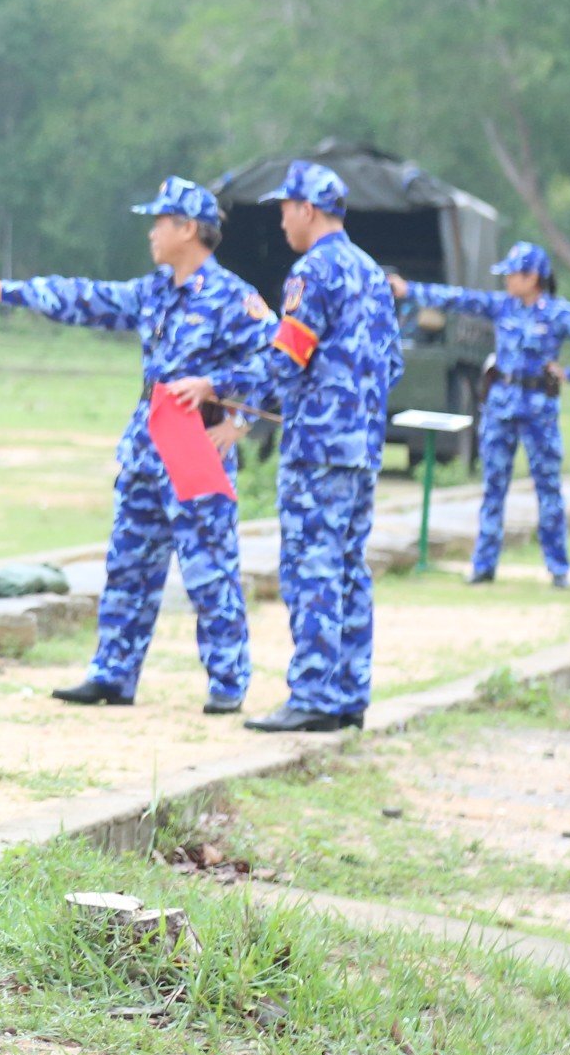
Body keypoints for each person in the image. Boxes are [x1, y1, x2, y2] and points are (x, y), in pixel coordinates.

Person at [0, 177, 272, 713]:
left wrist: (233, 412)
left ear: (187, 229)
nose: (151, 231)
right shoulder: (154, 291)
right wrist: (4, 290)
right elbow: (86, 298)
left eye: (159, 221)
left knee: (208, 569)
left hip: (197, 445)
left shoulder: (233, 297)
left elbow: (277, 358)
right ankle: (113, 675)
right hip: (149, 443)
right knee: (128, 566)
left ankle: (227, 682)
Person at [171, 160, 401, 733]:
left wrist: (216, 386)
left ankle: (314, 696)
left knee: (310, 568)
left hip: (317, 446)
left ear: (307, 209)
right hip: (361, 444)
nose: (278, 221)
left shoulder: (313, 272)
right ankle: (348, 693)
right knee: (349, 566)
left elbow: (287, 354)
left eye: (283, 209)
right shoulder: (371, 271)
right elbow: (393, 362)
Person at [389, 242, 570, 588]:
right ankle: (483, 565)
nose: (506, 280)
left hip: (540, 410)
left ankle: (558, 568)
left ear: (533, 277)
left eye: (513, 274)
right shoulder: (501, 306)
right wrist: (410, 290)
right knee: (493, 487)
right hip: (501, 407)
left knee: (548, 488)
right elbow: (458, 298)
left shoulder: (558, 313)